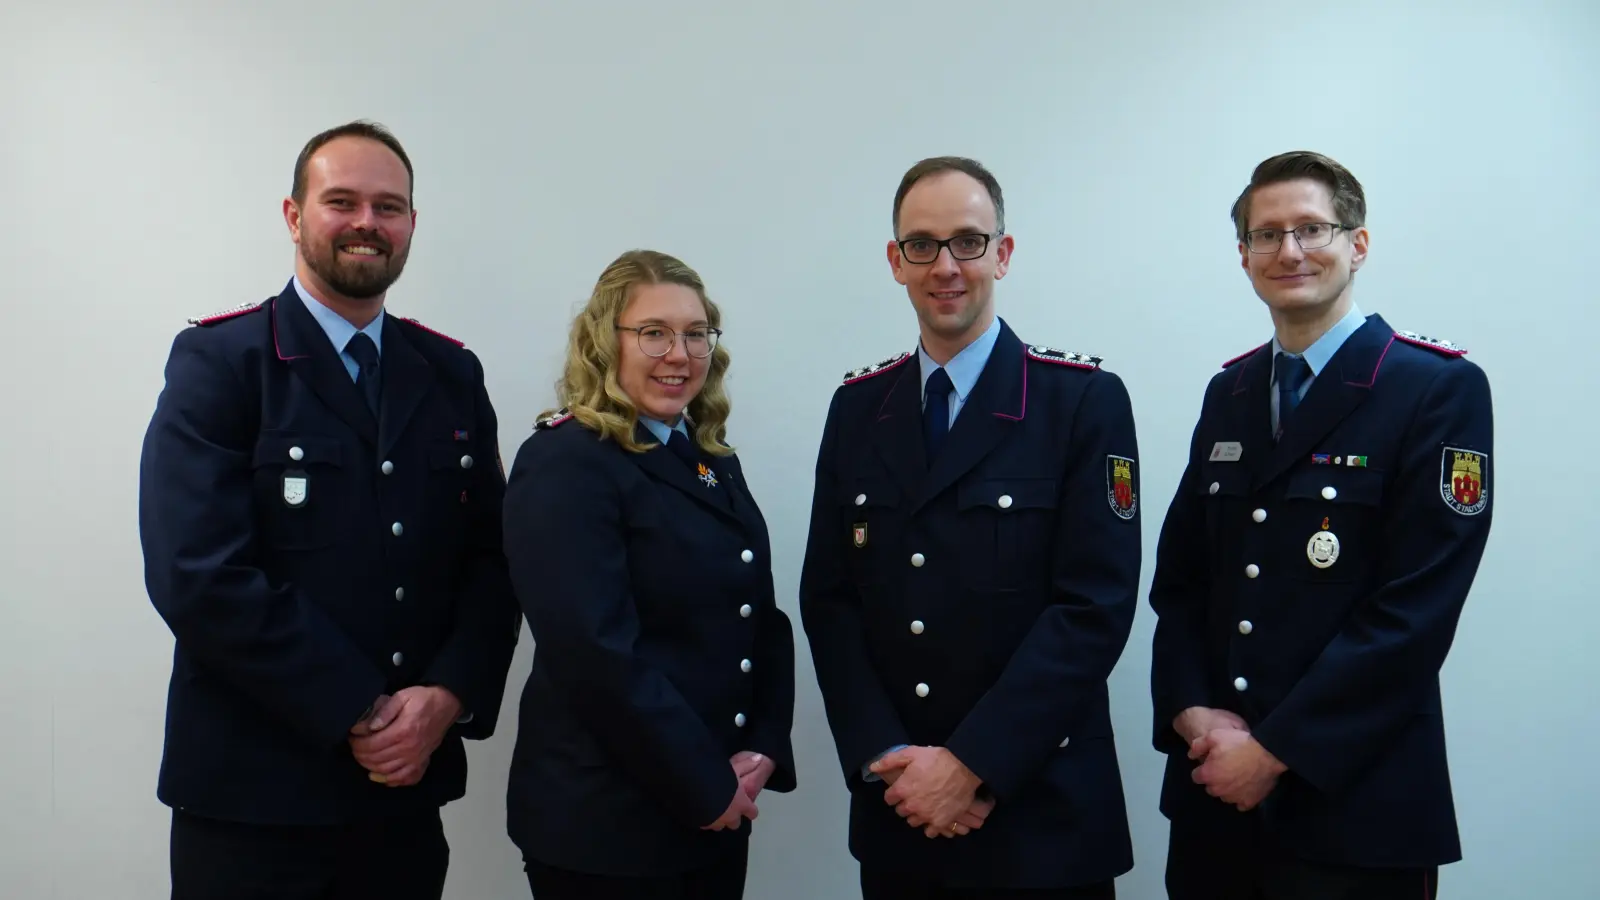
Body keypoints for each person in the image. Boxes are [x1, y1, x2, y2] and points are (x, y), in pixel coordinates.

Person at [137, 120, 521, 900]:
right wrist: (360, 707)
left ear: (412, 224)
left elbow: (493, 559)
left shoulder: (449, 372)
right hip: (252, 802)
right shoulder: (223, 363)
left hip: (401, 802)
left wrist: (447, 696)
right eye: (341, 201)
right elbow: (196, 574)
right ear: (293, 215)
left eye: (389, 207)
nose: (366, 224)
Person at [1147, 150, 1495, 900]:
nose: (1290, 251)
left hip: (1356, 812)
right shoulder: (1230, 391)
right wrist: (1192, 712)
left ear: (1357, 244)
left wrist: (1274, 751)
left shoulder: (1436, 389)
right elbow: (1181, 583)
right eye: (1267, 234)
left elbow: (1414, 613)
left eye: (1312, 228)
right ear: (1243, 256)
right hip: (1215, 807)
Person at [798, 156, 1142, 900]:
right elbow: (830, 603)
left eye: (968, 241)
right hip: (902, 815)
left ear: (1004, 254)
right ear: (895, 261)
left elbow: (1094, 607)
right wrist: (887, 754)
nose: (945, 265)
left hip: (1041, 815)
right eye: (921, 245)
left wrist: (971, 765)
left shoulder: (1082, 402)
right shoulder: (858, 410)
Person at [500, 249, 797, 900]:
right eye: (654, 332)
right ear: (607, 343)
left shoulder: (710, 459)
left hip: (715, 805)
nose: (679, 353)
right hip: (608, 825)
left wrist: (764, 745)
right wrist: (704, 782)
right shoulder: (566, 462)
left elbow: (758, 617)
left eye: (696, 333)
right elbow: (594, 654)